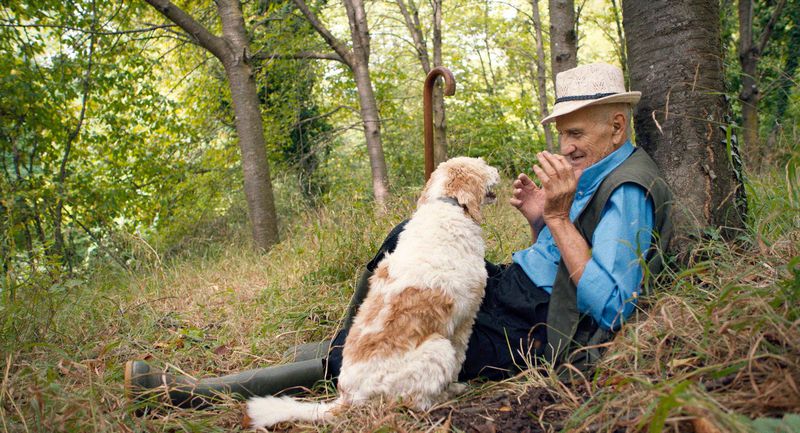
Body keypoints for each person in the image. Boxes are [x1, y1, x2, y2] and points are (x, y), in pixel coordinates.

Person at [125, 62, 672, 408]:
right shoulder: (593, 172)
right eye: (564, 134)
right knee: (409, 233)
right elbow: (560, 255)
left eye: (576, 133)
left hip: (535, 326)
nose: (567, 145)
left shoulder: (627, 191)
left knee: (391, 348)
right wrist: (538, 219)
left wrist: (555, 219)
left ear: (616, 126)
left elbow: (613, 304)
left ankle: (182, 393)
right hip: (513, 290)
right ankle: (332, 352)